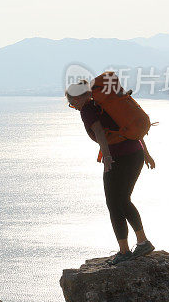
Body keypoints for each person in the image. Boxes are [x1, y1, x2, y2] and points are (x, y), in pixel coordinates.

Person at [65, 80, 156, 265]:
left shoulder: (88, 109)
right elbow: (130, 130)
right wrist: (146, 153)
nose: (73, 107)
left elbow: (98, 131)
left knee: (114, 204)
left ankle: (124, 251)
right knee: (123, 200)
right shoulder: (104, 105)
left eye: (72, 103)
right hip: (135, 154)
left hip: (118, 158)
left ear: (78, 98)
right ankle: (143, 241)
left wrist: (107, 157)